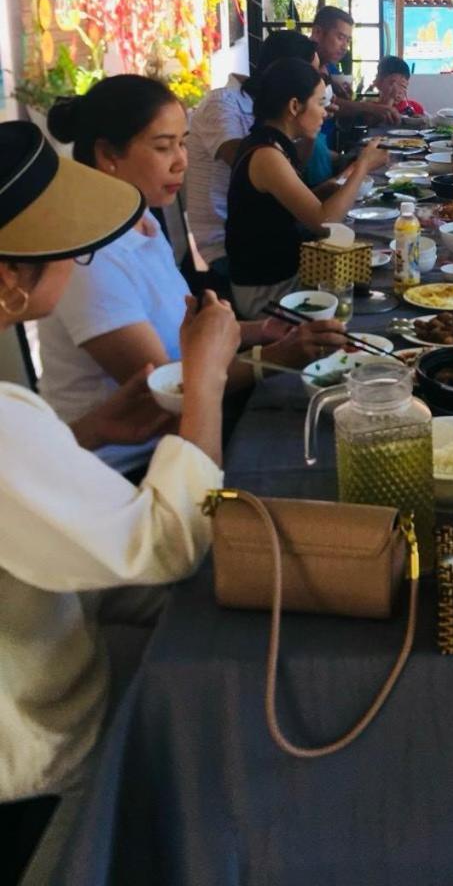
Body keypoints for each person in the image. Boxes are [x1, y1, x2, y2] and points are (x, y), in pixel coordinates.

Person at [0, 120, 240, 880]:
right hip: (34, 769)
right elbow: (171, 546)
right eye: (68, 245)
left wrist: (88, 432)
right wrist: (203, 381)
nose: (80, 256)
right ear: (11, 283)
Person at [39, 77, 351, 473]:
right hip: (127, 469)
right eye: (163, 146)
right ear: (107, 155)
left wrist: (261, 329)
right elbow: (172, 388)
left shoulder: (141, 225)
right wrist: (273, 356)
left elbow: (182, 331)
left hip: (183, 435)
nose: (181, 161)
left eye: (183, 143)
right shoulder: (89, 260)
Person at [226, 59, 388, 318]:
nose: (325, 112)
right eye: (320, 103)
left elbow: (296, 206)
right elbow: (325, 222)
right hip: (268, 293)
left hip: (286, 276)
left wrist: (339, 181)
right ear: (294, 106)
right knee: (370, 300)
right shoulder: (267, 155)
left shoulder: (271, 143)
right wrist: (363, 167)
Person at [186, 30, 319, 274]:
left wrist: (308, 130)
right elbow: (252, 165)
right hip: (228, 246)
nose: (318, 80)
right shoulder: (223, 103)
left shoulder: (267, 114)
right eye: (311, 75)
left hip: (268, 231)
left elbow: (289, 168)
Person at [309, 5, 401, 127]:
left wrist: (388, 100)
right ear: (317, 32)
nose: (344, 47)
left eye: (348, 41)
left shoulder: (331, 68)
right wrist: (369, 107)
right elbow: (322, 102)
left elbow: (345, 114)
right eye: (340, 37)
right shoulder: (300, 66)